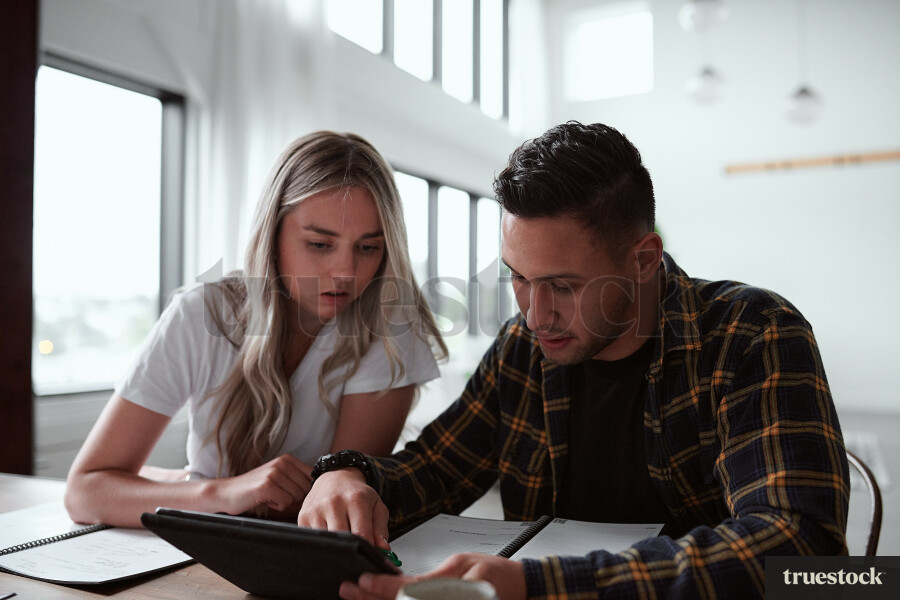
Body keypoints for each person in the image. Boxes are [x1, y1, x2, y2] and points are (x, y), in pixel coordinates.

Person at [297, 122, 850, 599]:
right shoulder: (525, 346)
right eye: (518, 277)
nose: (536, 315)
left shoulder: (750, 334)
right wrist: (347, 473)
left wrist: (540, 587)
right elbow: (438, 468)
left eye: (561, 285)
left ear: (642, 260)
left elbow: (802, 553)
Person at [65, 131, 447, 528]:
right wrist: (223, 491)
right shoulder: (203, 312)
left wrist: (194, 485)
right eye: (319, 244)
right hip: (197, 552)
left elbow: (329, 505)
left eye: (368, 248)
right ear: (272, 234)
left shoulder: (390, 325)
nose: (346, 272)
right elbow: (84, 493)